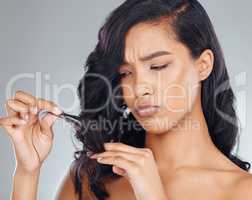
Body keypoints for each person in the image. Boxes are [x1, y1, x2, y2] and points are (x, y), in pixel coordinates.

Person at [1, 0, 252, 199]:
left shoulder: (242, 191)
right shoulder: (92, 179)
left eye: (158, 66)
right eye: (125, 73)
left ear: (203, 65)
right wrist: (27, 172)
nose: (139, 88)